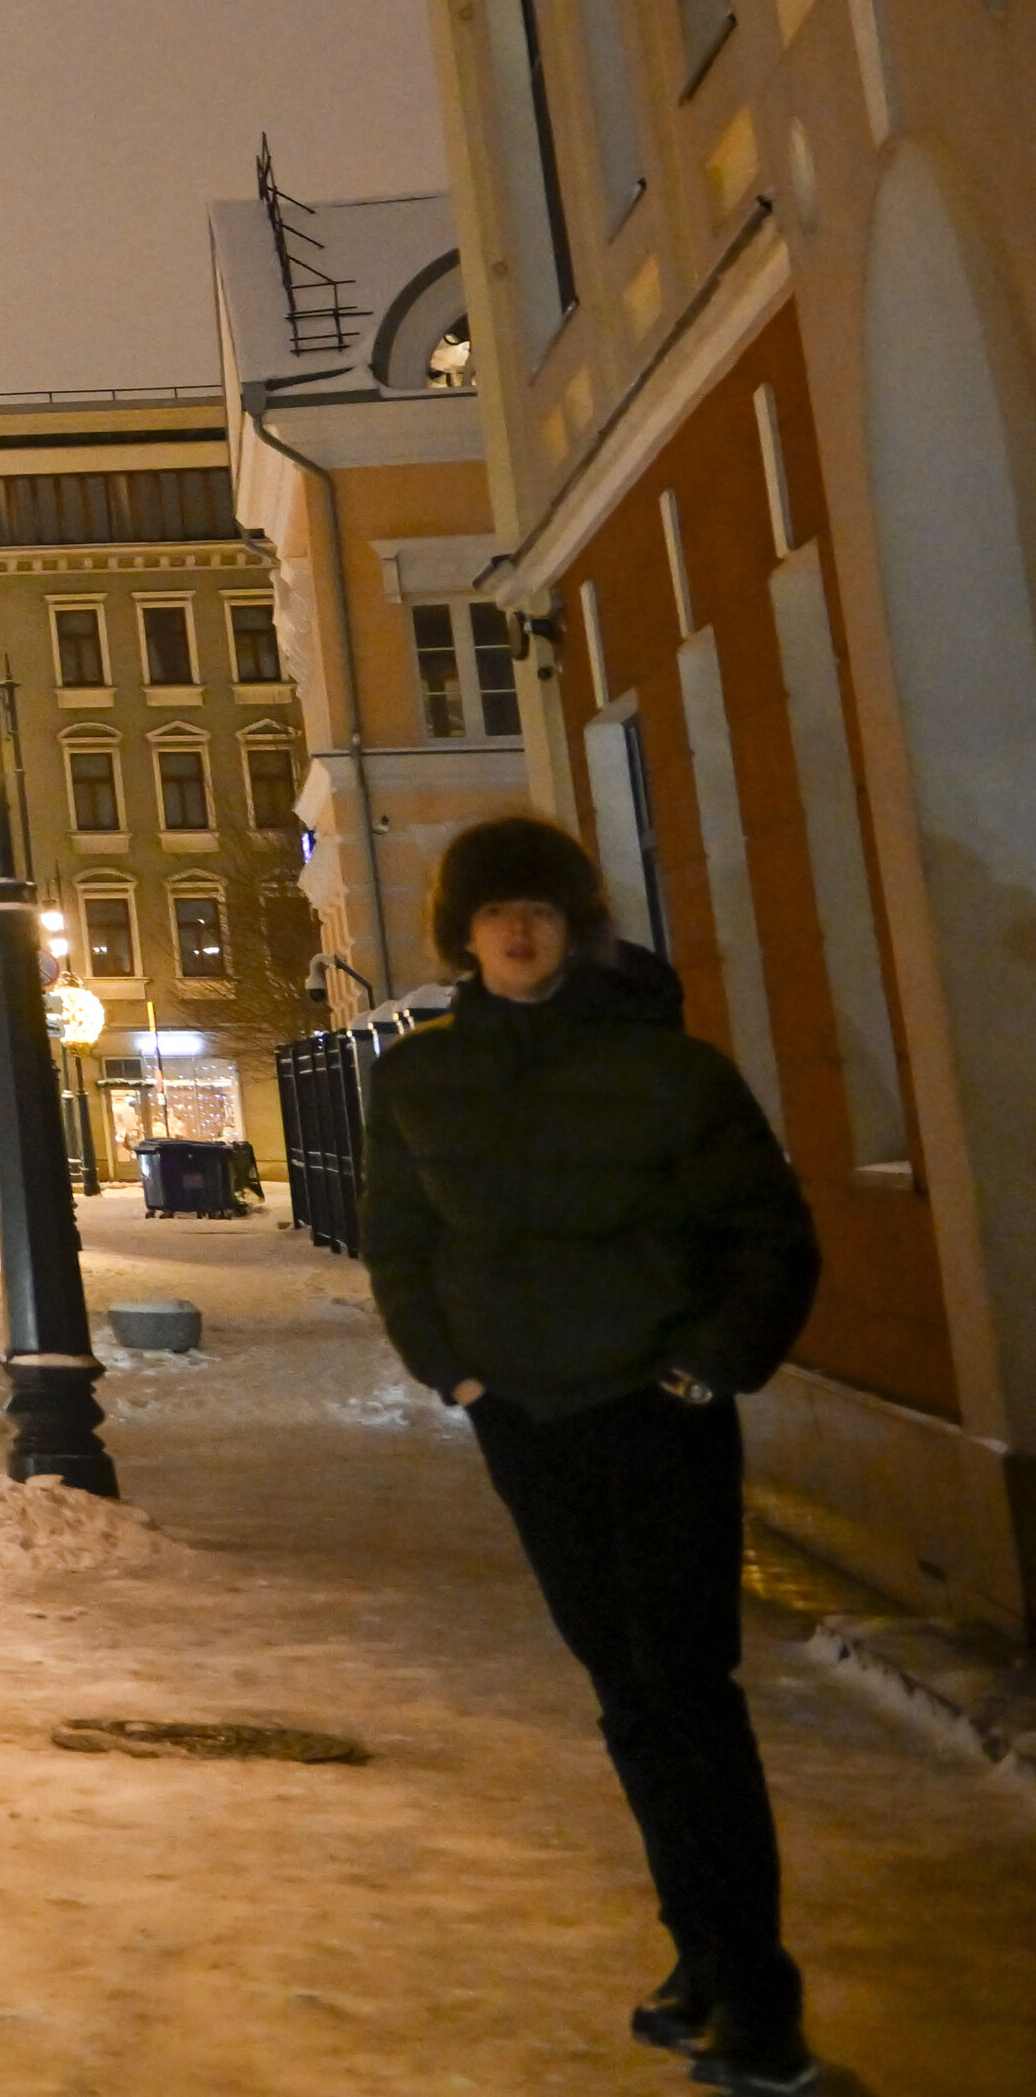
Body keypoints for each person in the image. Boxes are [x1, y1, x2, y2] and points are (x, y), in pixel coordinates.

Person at [362, 815, 823, 2092]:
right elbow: (399, 1240)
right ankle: (703, 1958)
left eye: (542, 912)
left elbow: (769, 1236)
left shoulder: (670, 1071)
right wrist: (453, 1371)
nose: (519, 932)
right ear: (463, 935)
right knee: (626, 1692)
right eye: (496, 913)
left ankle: (761, 2000)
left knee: (687, 1691)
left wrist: (702, 1368)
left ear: (575, 928)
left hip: (655, 1410)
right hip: (527, 1421)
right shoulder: (420, 1079)